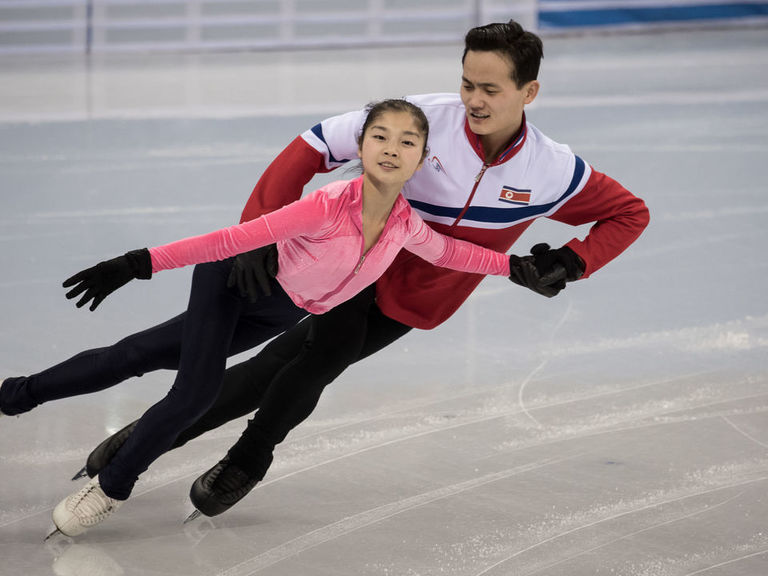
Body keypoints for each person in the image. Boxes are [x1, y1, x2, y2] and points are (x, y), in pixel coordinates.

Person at [78, 19, 650, 521]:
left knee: (284, 363)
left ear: (529, 92)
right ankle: (237, 459)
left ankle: (161, 438)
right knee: (314, 358)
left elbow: (629, 213)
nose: (474, 100)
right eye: (467, 84)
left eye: (491, 90)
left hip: (422, 292)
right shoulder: (421, 120)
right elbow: (309, 147)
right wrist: (260, 228)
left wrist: (572, 262)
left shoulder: (551, 170)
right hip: (344, 259)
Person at [1, 99, 527, 537]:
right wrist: (138, 263)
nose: (392, 148)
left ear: (423, 159)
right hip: (232, 285)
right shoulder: (329, 205)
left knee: (135, 355)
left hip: (270, 315)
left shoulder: (406, 226)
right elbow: (229, 241)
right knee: (195, 394)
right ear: (361, 147)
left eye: (407, 141)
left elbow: (457, 255)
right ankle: (111, 488)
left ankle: (15, 394)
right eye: (380, 137)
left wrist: (517, 268)